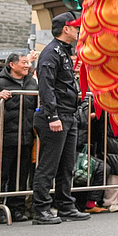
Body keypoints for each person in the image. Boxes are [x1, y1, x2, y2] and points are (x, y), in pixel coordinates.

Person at [31, 12, 90, 224]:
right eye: (75, 27)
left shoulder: (63, 51)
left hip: (68, 114)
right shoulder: (51, 52)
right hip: (55, 116)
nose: (78, 31)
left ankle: (65, 205)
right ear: (66, 28)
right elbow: (46, 86)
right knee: (48, 166)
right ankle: (41, 209)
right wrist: (52, 115)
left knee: (67, 166)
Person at [0, 52, 38, 222]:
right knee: (0, 175)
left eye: (27, 63)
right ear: (12, 64)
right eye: (23, 62)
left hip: (26, 137)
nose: (27, 66)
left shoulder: (32, 83)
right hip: (4, 137)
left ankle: (17, 209)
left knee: (21, 176)